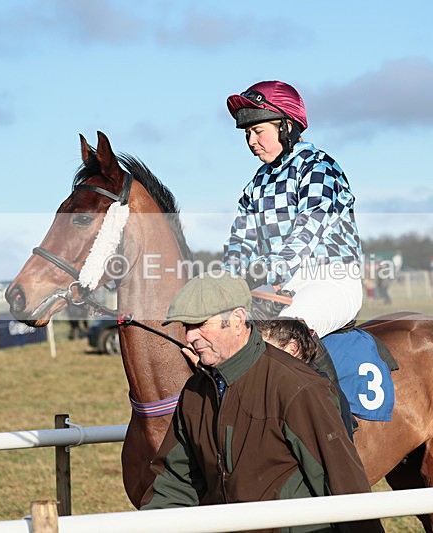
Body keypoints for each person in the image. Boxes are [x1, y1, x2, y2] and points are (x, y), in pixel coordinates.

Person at [141, 272, 383, 532]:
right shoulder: (194, 392)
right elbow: (175, 481)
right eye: (187, 327)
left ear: (237, 320)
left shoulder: (298, 387)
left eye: (200, 324)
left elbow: (344, 482)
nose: (190, 337)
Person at [222, 80, 363, 339]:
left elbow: (307, 232)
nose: (251, 141)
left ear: (286, 127)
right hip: (278, 285)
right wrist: (226, 278)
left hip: (330, 281)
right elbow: (241, 241)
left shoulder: (319, 168)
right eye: (246, 134)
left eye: (257, 130)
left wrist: (263, 269)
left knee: (282, 338)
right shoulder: (257, 183)